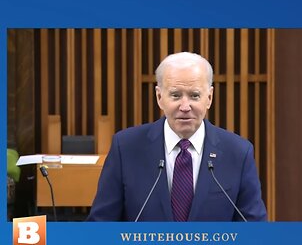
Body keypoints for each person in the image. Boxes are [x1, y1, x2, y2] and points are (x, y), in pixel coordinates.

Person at [87, 52, 267, 221]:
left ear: (209, 98)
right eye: (175, 95)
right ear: (159, 97)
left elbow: (255, 234)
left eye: (195, 96)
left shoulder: (238, 152)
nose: (185, 106)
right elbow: (100, 227)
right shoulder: (126, 147)